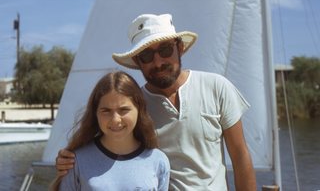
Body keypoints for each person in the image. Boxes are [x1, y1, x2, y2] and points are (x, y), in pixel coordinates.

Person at [56, 14, 257, 190]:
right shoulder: (132, 108)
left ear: (180, 47)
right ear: (137, 62)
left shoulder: (217, 87)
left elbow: (240, 155)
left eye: (166, 50)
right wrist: (69, 159)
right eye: (146, 55)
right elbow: (106, 140)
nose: (158, 62)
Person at [51, 71, 170, 191]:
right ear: (95, 113)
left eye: (124, 110)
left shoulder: (158, 161)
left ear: (139, 110)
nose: (115, 120)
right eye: (106, 111)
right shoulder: (75, 161)